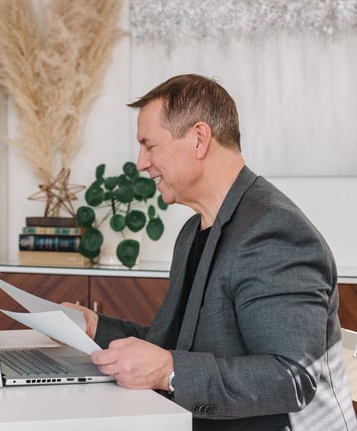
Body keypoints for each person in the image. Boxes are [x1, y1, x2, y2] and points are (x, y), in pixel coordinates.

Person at [66, 74, 357, 430]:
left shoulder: (274, 233)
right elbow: (172, 347)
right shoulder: (195, 230)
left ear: (199, 139)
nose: (141, 163)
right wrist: (94, 328)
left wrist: (167, 370)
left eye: (150, 145)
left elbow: (291, 377)